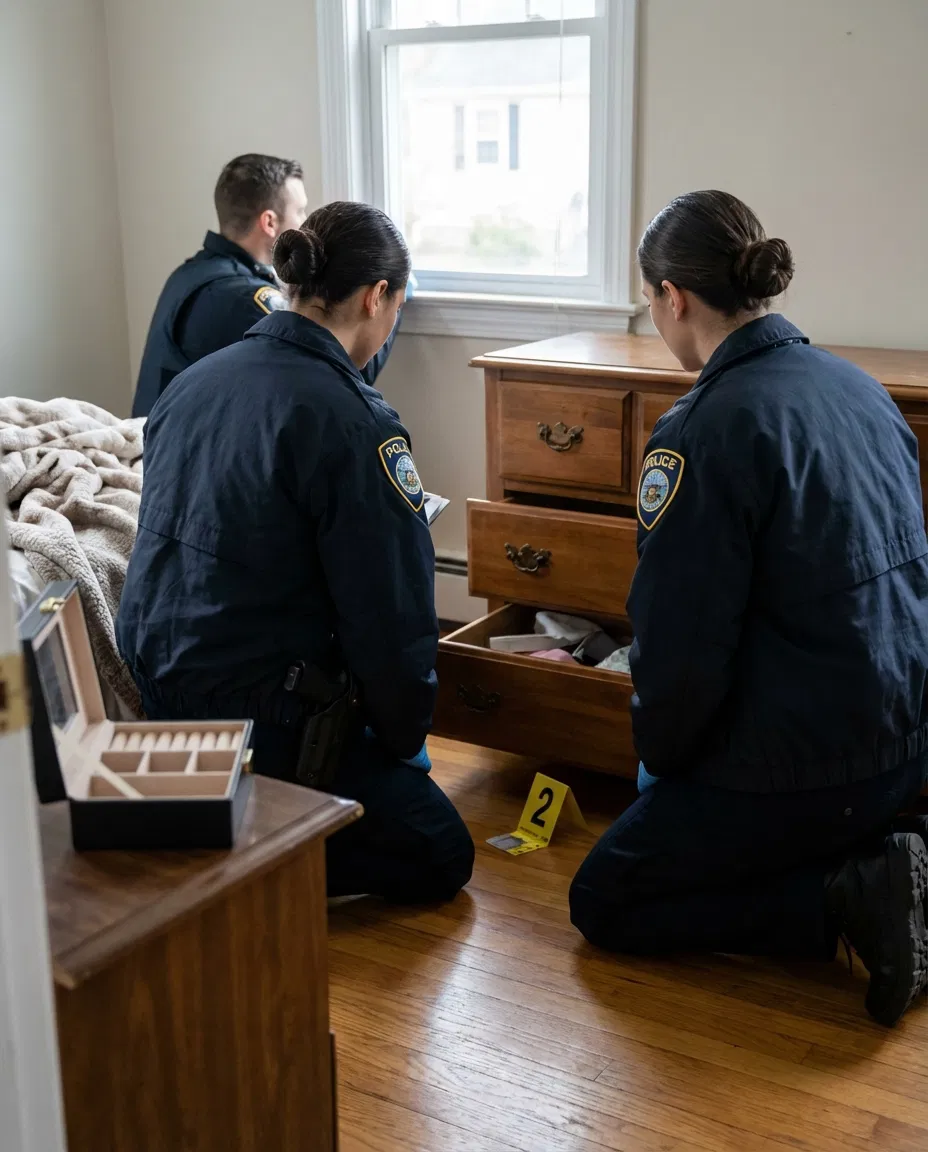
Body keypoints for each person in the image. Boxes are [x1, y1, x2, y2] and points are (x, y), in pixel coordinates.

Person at [569, 190, 928, 1027]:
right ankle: (878, 859)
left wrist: (664, 767)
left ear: (673, 297)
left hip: (804, 770)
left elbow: (681, 646)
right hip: (902, 746)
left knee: (607, 898)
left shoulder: (703, 430)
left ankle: (843, 900)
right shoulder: (860, 388)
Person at [117, 201, 475, 904]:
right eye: (396, 309)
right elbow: (392, 620)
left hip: (161, 699)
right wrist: (401, 741)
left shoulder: (191, 385)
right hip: (265, 721)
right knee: (440, 849)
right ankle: (249, 858)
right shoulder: (355, 422)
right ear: (376, 298)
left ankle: (205, 829)